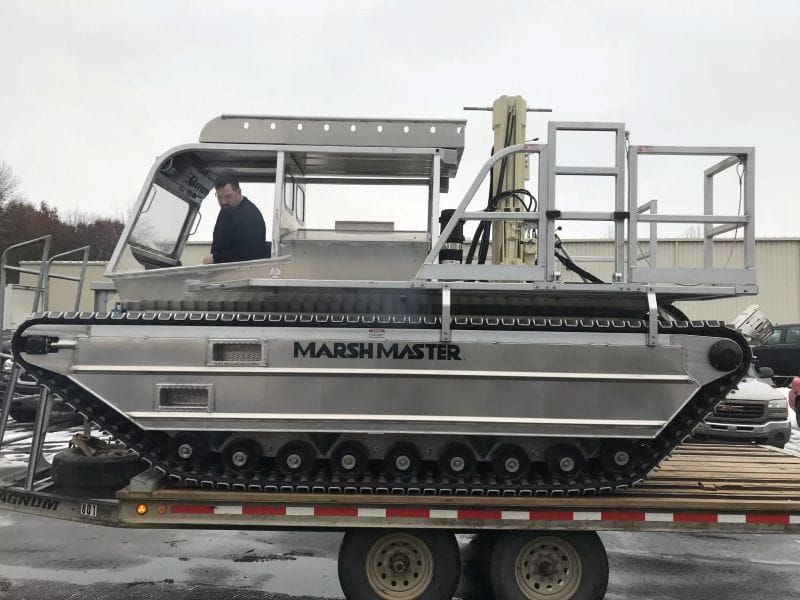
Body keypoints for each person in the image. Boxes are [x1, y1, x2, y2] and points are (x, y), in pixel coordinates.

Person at [203, 174, 270, 264]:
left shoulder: (250, 215)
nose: (223, 202)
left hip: (241, 273)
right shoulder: (227, 209)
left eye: (228, 196)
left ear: (239, 191)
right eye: (219, 197)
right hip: (221, 271)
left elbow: (251, 252)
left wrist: (216, 258)